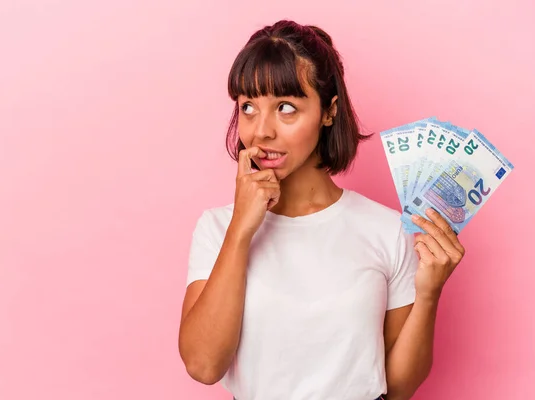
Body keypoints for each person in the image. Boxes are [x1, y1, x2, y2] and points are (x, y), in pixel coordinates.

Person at [178, 20, 465, 400]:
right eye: (248, 106)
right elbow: (203, 365)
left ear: (329, 111)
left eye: (285, 108)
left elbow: (396, 387)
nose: (261, 131)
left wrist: (429, 294)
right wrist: (241, 231)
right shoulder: (217, 228)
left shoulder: (384, 230)